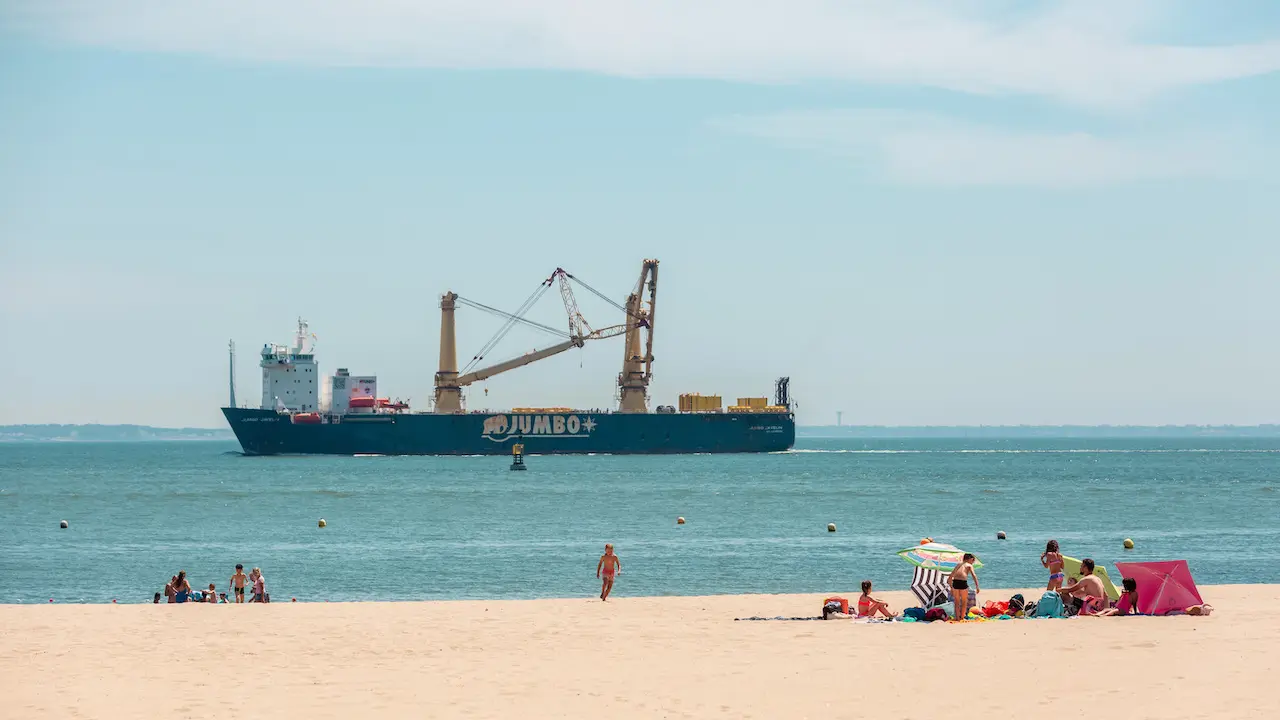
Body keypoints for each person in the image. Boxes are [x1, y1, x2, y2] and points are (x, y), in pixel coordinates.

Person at [948, 553, 979, 620]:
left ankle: (957, 618)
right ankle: (962, 617)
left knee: (956, 602)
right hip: (963, 582)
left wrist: (951, 587)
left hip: (955, 582)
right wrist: (977, 587)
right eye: (973, 560)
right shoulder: (969, 565)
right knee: (964, 601)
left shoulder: (959, 564)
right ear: (970, 559)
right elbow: (974, 575)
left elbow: (951, 575)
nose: (973, 562)